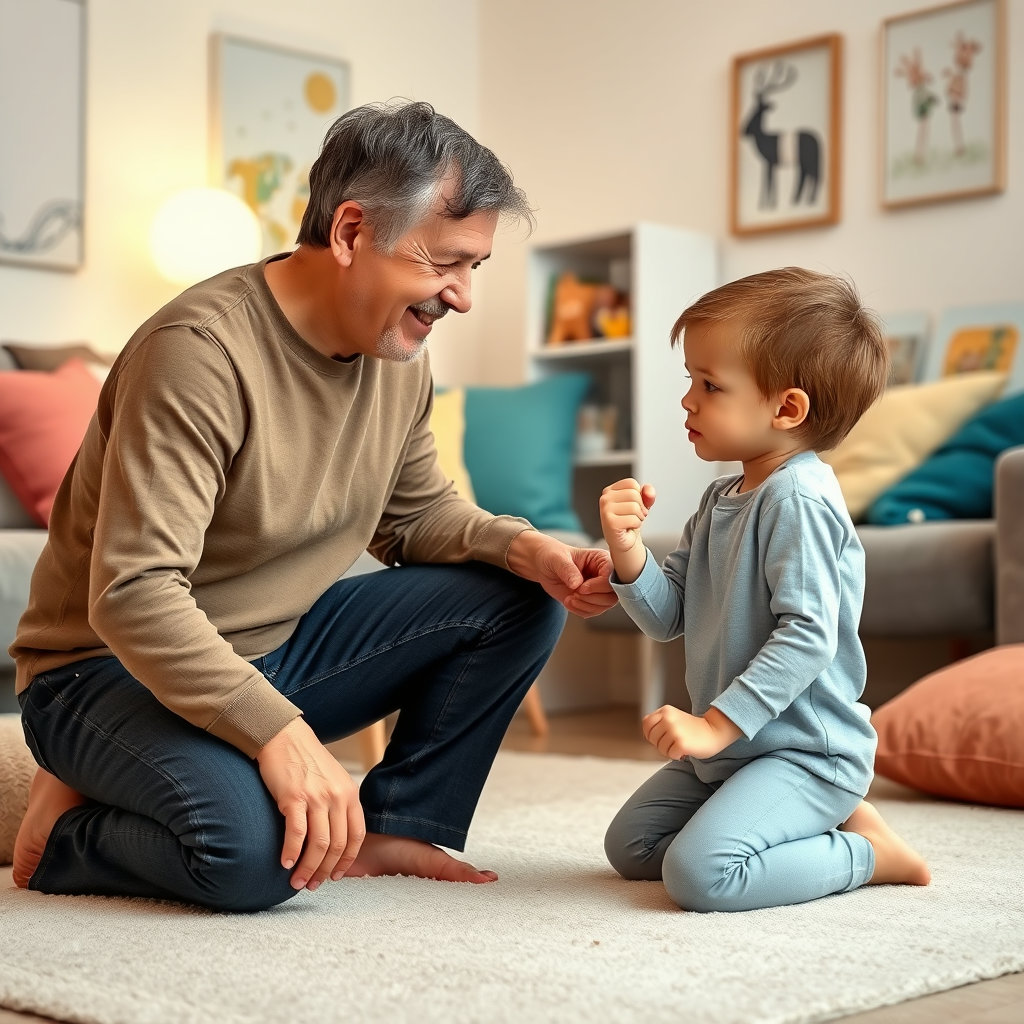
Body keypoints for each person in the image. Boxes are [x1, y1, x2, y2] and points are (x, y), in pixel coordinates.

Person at [10, 100, 616, 912]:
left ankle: (392, 822)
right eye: (446, 262)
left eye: (475, 267)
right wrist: (280, 735)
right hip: (105, 671)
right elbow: (135, 594)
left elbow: (416, 515)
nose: (463, 296)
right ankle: (68, 835)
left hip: (275, 649)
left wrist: (525, 548)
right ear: (352, 232)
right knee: (258, 858)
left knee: (516, 596)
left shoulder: (395, 352)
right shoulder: (199, 354)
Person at [599, 267, 931, 913]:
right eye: (690, 380)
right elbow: (670, 618)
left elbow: (808, 636)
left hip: (804, 753)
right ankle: (806, 820)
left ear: (786, 409)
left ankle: (870, 855)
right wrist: (628, 551)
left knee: (702, 877)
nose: (688, 400)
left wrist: (714, 727)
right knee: (634, 848)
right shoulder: (722, 497)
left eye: (711, 385)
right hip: (734, 756)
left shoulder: (799, 499)